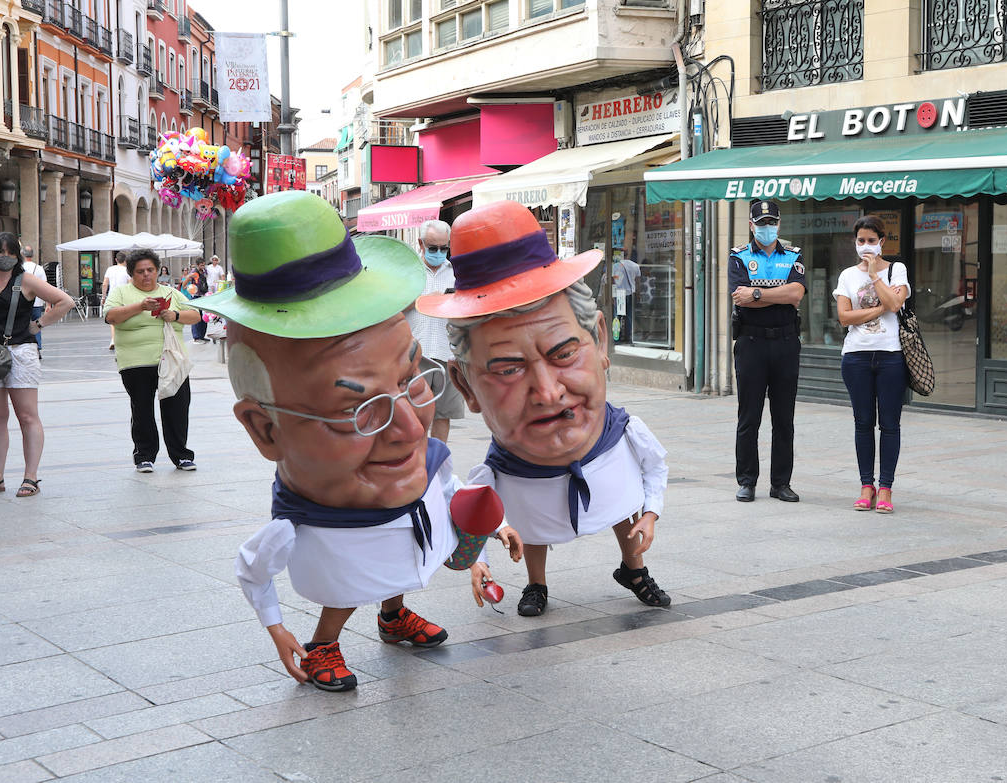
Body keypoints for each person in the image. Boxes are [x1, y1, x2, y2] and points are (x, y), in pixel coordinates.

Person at [193, 190, 518, 692]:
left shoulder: (420, 460)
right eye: (357, 409)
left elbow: (450, 497)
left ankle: (393, 617)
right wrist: (277, 628)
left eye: (412, 379)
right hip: (338, 527)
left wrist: (484, 544)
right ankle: (325, 641)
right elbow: (254, 569)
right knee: (355, 572)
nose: (412, 431)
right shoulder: (303, 525)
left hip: (403, 532)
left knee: (394, 562)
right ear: (265, 429)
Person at [420, 200, 670, 618]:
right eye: (508, 370)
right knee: (529, 519)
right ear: (465, 384)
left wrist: (652, 513)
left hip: (610, 468)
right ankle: (536, 582)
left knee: (621, 500)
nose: (549, 393)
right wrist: (476, 558)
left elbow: (653, 470)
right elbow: (477, 510)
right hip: (523, 477)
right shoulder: (500, 467)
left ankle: (635, 568)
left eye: (565, 354)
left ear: (600, 342)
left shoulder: (622, 433)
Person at [0, 232, 74, 498]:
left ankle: (30, 477)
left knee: (27, 416)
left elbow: (65, 301)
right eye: (0, 253)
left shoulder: (27, 280)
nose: (5, 258)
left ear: (17, 256)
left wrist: (39, 324)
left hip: (21, 352)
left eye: (11, 253)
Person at [730, 199, 806, 503]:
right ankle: (747, 480)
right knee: (749, 417)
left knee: (784, 418)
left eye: (771, 222)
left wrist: (757, 293)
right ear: (751, 225)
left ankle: (780, 483)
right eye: (760, 223)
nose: (766, 228)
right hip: (751, 344)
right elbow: (739, 298)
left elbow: (797, 292)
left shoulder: (794, 255)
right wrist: (780, 295)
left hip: (786, 344)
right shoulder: (739, 257)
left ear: (779, 224)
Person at [833, 215, 909, 514]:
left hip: (891, 355)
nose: (865, 246)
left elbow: (895, 305)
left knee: (890, 425)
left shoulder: (897, 269)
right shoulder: (847, 275)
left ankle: (886, 488)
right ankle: (867, 485)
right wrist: (881, 307)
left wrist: (877, 275)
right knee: (863, 423)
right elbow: (844, 317)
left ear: (882, 242)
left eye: (871, 240)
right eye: (861, 240)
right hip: (856, 356)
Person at [103, 249, 202, 472]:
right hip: (136, 361)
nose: (146, 275)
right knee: (142, 409)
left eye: (150, 270)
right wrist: (140, 307)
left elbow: (196, 315)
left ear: (157, 271)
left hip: (171, 360)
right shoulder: (121, 293)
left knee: (177, 407)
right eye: (140, 271)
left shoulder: (171, 293)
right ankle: (144, 456)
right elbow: (110, 316)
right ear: (131, 274)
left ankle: (182, 455)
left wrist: (175, 315)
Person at [402, 219, 464, 443]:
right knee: (416, 415)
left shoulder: (456, 271)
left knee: (443, 415)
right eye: (433, 248)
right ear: (420, 243)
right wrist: (426, 301)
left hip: (448, 353)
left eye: (444, 248)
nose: (439, 253)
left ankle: (438, 465)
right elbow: (396, 306)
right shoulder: (409, 271)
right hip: (418, 355)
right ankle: (418, 463)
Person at [21, 246, 48, 354]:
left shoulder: (19, 268)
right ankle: (38, 348)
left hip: (22, 302)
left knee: (23, 325)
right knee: (37, 324)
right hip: (37, 302)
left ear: (22, 254)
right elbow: (45, 287)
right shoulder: (39, 268)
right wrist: (49, 304)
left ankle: (26, 348)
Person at [102, 252, 130, 351]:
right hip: (124, 297)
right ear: (125, 261)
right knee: (125, 318)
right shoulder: (127, 270)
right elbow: (130, 285)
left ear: (116, 260)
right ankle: (124, 340)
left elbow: (105, 284)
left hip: (112, 297)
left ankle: (113, 340)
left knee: (113, 320)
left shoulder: (110, 269)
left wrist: (103, 297)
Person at [182, 262, 208, 342]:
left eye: (203, 265)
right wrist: (186, 285)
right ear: (197, 265)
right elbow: (185, 282)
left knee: (204, 317)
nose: (203, 267)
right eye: (201, 265)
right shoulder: (194, 272)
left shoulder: (204, 272)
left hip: (203, 296)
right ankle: (196, 337)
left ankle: (202, 335)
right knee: (196, 316)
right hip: (196, 296)